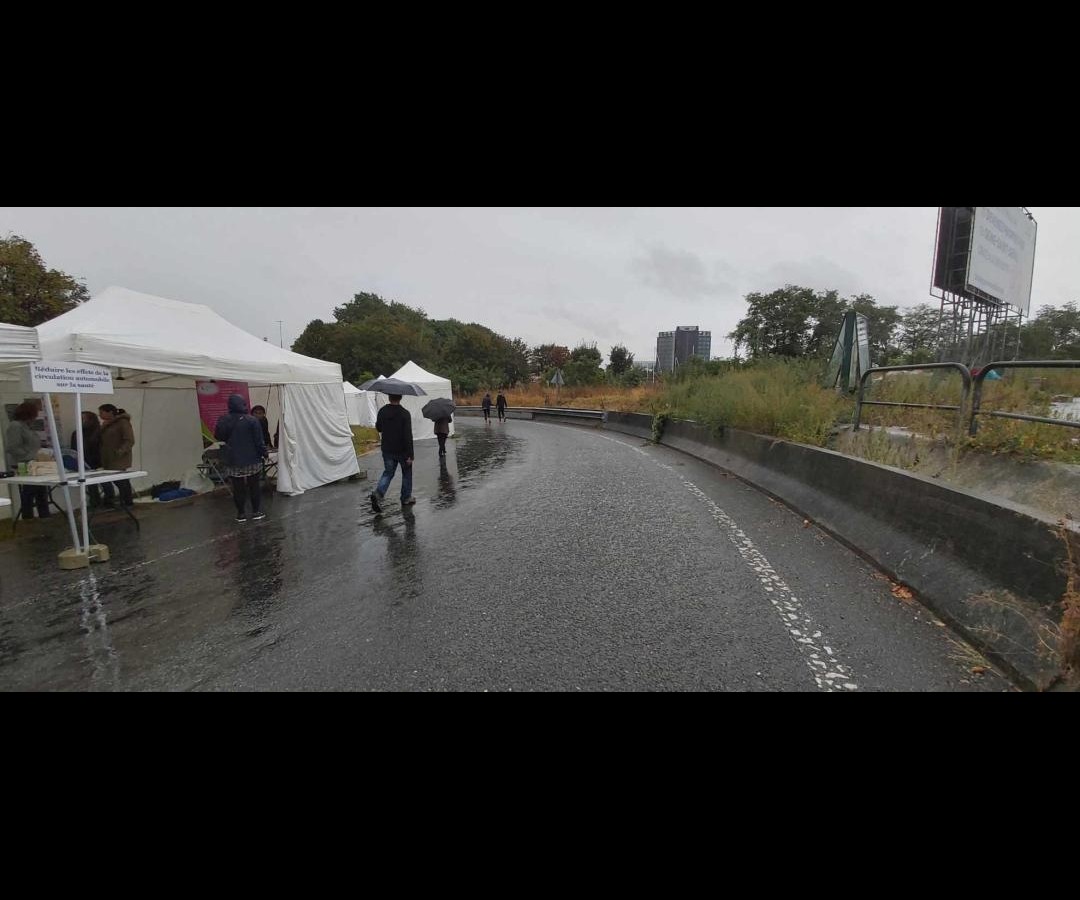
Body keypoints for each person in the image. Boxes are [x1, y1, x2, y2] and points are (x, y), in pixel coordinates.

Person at [214, 394, 268, 523]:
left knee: (238, 488)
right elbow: (258, 441)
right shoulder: (252, 420)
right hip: (252, 459)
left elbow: (218, 437)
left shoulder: (223, 419)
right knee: (254, 486)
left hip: (233, 460)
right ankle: (256, 512)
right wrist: (264, 453)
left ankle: (241, 514)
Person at [5, 401, 49, 519]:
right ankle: (28, 517)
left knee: (41, 491)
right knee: (29, 491)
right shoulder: (15, 426)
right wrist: (28, 456)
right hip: (23, 464)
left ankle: (44, 516)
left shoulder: (27, 426)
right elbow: (12, 447)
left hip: (34, 463)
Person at [370, 394, 414, 512]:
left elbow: (379, 428)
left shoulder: (382, 411)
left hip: (387, 448)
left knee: (388, 473)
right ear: (400, 397)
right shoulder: (405, 413)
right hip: (403, 451)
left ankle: (378, 493)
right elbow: (408, 435)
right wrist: (410, 455)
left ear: (389, 397)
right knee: (407, 473)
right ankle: (406, 498)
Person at [98, 404, 136, 508]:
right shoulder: (106, 424)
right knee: (117, 479)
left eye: (101, 412)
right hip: (108, 456)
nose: (99, 415)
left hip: (118, 457)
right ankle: (123, 500)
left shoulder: (122, 423)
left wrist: (120, 451)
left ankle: (127, 501)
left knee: (121, 480)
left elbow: (129, 440)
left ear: (110, 412)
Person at [70, 410, 103, 508]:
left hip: (97, 460)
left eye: (83, 419)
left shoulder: (98, 431)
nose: (81, 421)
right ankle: (95, 502)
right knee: (90, 484)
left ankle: (108, 500)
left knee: (105, 482)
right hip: (84, 461)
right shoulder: (76, 433)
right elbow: (73, 449)